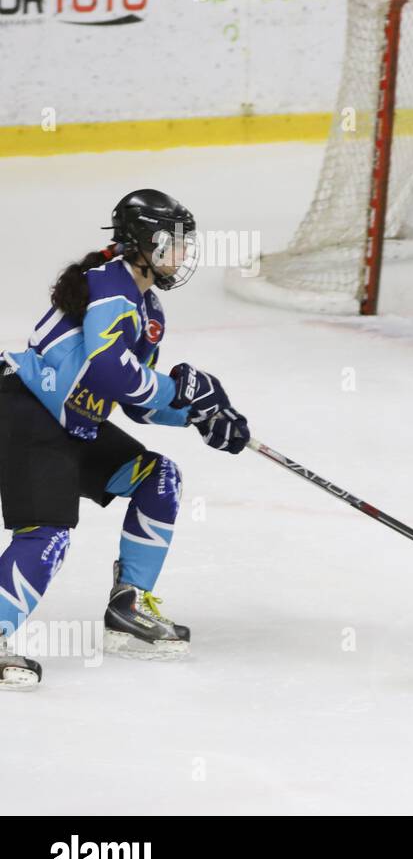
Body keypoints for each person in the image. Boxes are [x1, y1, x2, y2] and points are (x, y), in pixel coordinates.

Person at [0, 189, 250, 689]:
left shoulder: (146, 307)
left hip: (70, 425)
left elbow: (136, 402)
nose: (183, 254)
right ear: (143, 242)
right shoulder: (110, 284)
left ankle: (128, 605)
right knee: (46, 534)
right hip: (23, 412)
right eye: (174, 242)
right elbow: (108, 370)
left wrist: (199, 415)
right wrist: (183, 389)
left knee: (158, 478)